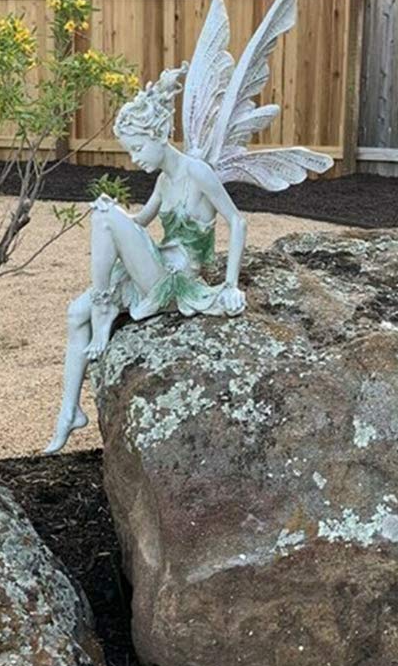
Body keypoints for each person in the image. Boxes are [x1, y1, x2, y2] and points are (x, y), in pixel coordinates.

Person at [44, 65, 247, 454]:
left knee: (105, 219)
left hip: (176, 282)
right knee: (74, 312)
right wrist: (115, 210)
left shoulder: (197, 172)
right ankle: (69, 411)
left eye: (137, 148)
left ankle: (104, 308)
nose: (134, 158)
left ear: (158, 135)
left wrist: (231, 285)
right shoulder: (162, 181)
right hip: (156, 267)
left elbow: (237, 221)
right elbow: (138, 224)